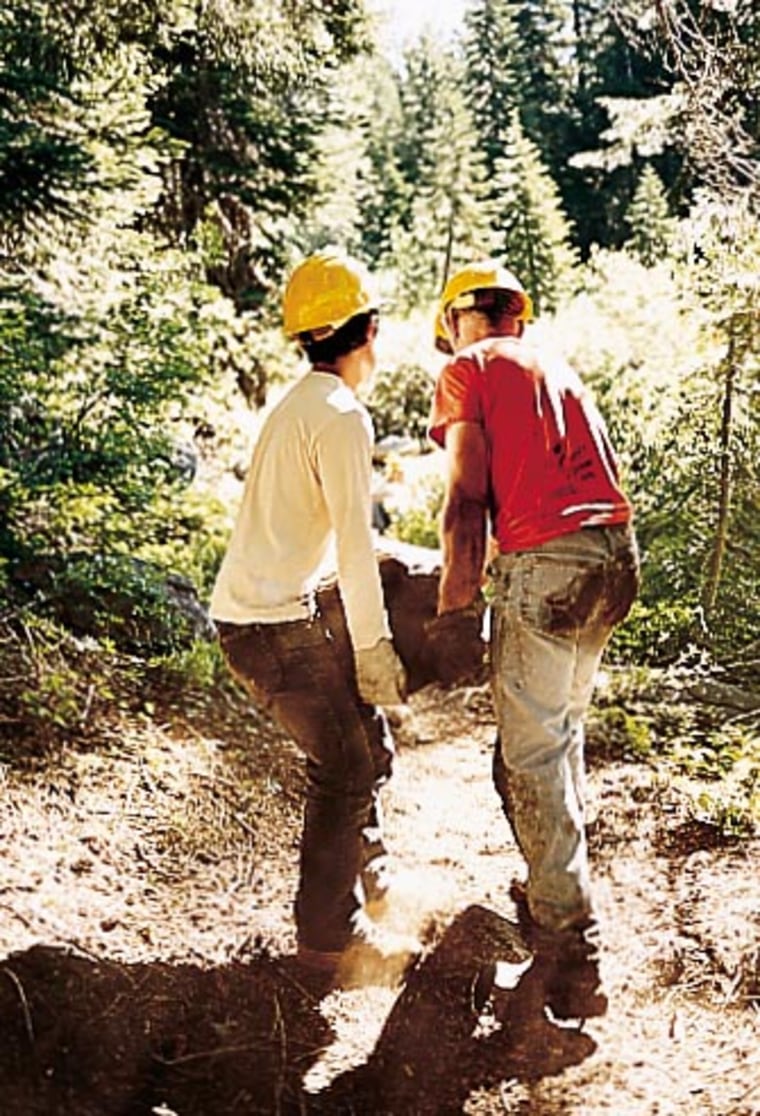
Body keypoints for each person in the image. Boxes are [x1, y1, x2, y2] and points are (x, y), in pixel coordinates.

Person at [426, 259, 640, 1016]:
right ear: (518, 313)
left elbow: (466, 495)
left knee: (532, 758)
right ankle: (555, 890)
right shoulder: (559, 369)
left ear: (457, 320)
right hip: (614, 561)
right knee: (559, 736)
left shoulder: (467, 369)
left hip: (545, 568)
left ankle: (570, 953)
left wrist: (454, 605)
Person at [210, 248, 418, 985]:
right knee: (345, 767)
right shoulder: (340, 416)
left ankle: (372, 878)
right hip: (270, 629)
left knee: (365, 739)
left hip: (267, 616)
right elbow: (356, 550)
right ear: (368, 331)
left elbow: (325, 535)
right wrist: (376, 649)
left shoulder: (300, 403)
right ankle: (329, 939)